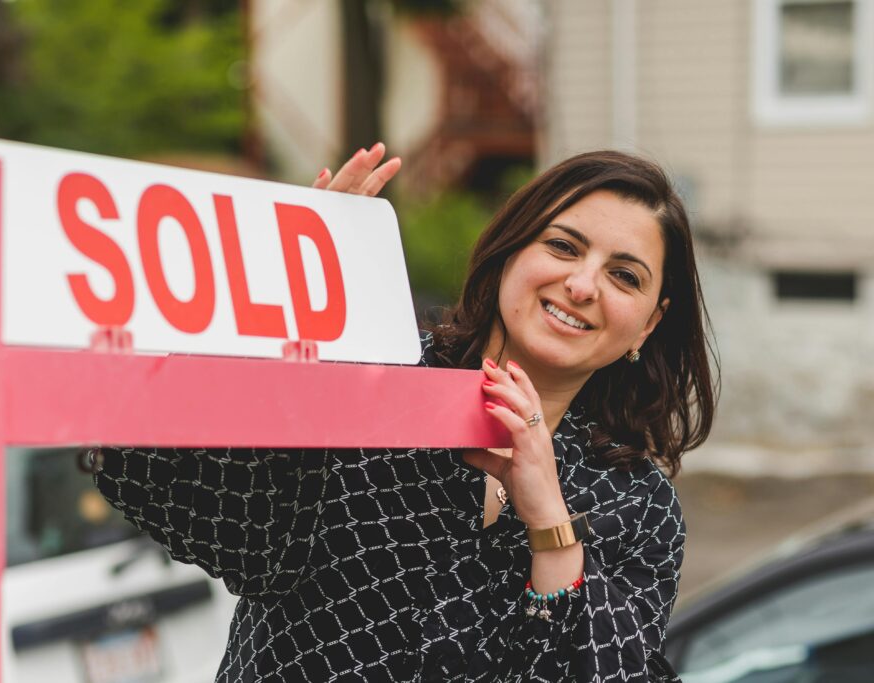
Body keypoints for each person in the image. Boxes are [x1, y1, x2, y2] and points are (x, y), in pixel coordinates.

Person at [92, 145, 716, 682]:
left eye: (625, 276)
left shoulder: (640, 508)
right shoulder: (373, 374)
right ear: (510, 251)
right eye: (562, 245)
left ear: (650, 323)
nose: (582, 285)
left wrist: (549, 522)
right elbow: (151, 470)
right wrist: (283, 306)